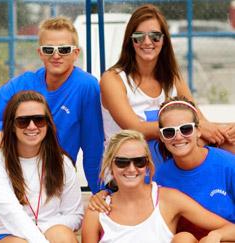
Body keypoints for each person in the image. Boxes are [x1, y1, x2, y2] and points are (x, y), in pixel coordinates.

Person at [100, 4, 235, 170]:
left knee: (229, 139)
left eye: (155, 36)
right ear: (130, 40)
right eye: (139, 36)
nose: (147, 42)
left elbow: (197, 119)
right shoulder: (113, 79)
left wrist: (225, 129)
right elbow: (135, 128)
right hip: (128, 167)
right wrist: (198, 127)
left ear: (164, 40)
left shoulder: (172, 76)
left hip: (167, 161)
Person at [0, 16, 104, 193]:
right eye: (49, 49)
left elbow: (93, 147)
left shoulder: (86, 86)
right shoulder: (23, 83)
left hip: (55, 178)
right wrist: (1, 132)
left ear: (76, 53)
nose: (56, 55)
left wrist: (100, 191)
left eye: (64, 49)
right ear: (40, 53)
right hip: (17, 174)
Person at [82, 129, 235, 243]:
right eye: (122, 162)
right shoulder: (97, 210)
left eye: (139, 161)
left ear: (147, 164)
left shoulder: (168, 199)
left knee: (184, 239)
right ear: (110, 165)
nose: (131, 168)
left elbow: (230, 228)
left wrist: (216, 235)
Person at [0, 91, 83, 243]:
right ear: (12, 125)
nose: (32, 126)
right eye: (23, 121)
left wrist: (43, 229)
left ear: (48, 123)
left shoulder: (62, 162)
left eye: (39, 120)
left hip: (49, 229)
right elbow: (11, 214)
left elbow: (75, 215)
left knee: (63, 237)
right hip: (6, 232)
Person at [153, 96, 235, 239]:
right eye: (169, 132)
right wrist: (102, 196)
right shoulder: (161, 176)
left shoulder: (228, 165)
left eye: (186, 129)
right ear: (161, 137)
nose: (178, 137)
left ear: (198, 131)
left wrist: (217, 235)